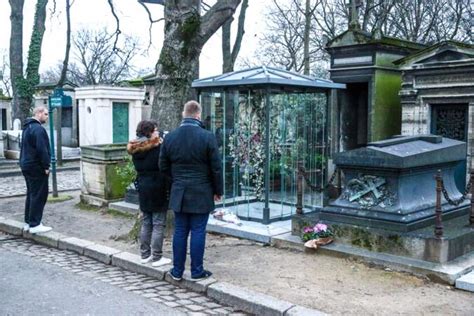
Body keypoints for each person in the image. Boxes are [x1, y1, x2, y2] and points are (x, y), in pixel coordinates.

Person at [160, 100, 223, 281]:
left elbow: (162, 166)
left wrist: (176, 182)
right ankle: (196, 271)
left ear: (183, 114)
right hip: (202, 191)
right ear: (198, 115)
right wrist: (217, 190)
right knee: (197, 230)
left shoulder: (170, 137)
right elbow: (216, 168)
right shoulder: (207, 136)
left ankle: (177, 270)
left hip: (179, 190)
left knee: (180, 231)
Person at [127, 120, 171, 267]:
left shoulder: (134, 148)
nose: (158, 133)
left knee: (147, 221)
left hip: (143, 186)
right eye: (156, 130)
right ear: (149, 132)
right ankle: (157, 256)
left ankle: (144, 254)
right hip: (158, 186)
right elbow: (164, 166)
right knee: (158, 223)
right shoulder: (157, 148)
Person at [20, 106, 52, 234]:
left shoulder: (27, 127)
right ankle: (35, 224)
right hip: (36, 166)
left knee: (32, 194)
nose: (47, 116)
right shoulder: (38, 129)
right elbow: (42, 149)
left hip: (26, 164)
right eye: (45, 114)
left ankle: (28, 222)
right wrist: (46, 166)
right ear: (38, 113)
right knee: (39, 194)